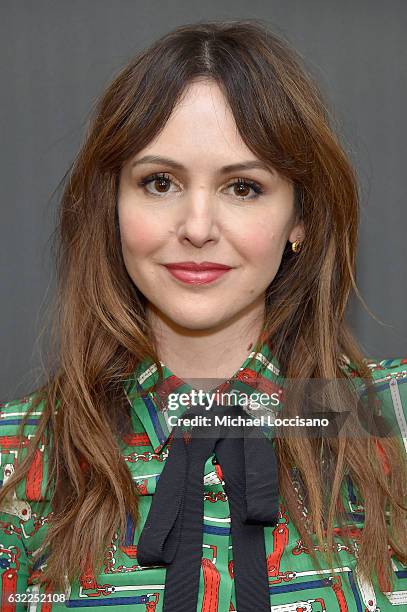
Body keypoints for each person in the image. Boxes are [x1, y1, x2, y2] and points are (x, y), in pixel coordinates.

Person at [0, 18, 406, 612]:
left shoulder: (391, 421)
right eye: (159, 182)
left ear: (302, 219)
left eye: (242, 187)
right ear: (111, 205)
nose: (195, 228)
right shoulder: (18, 453)